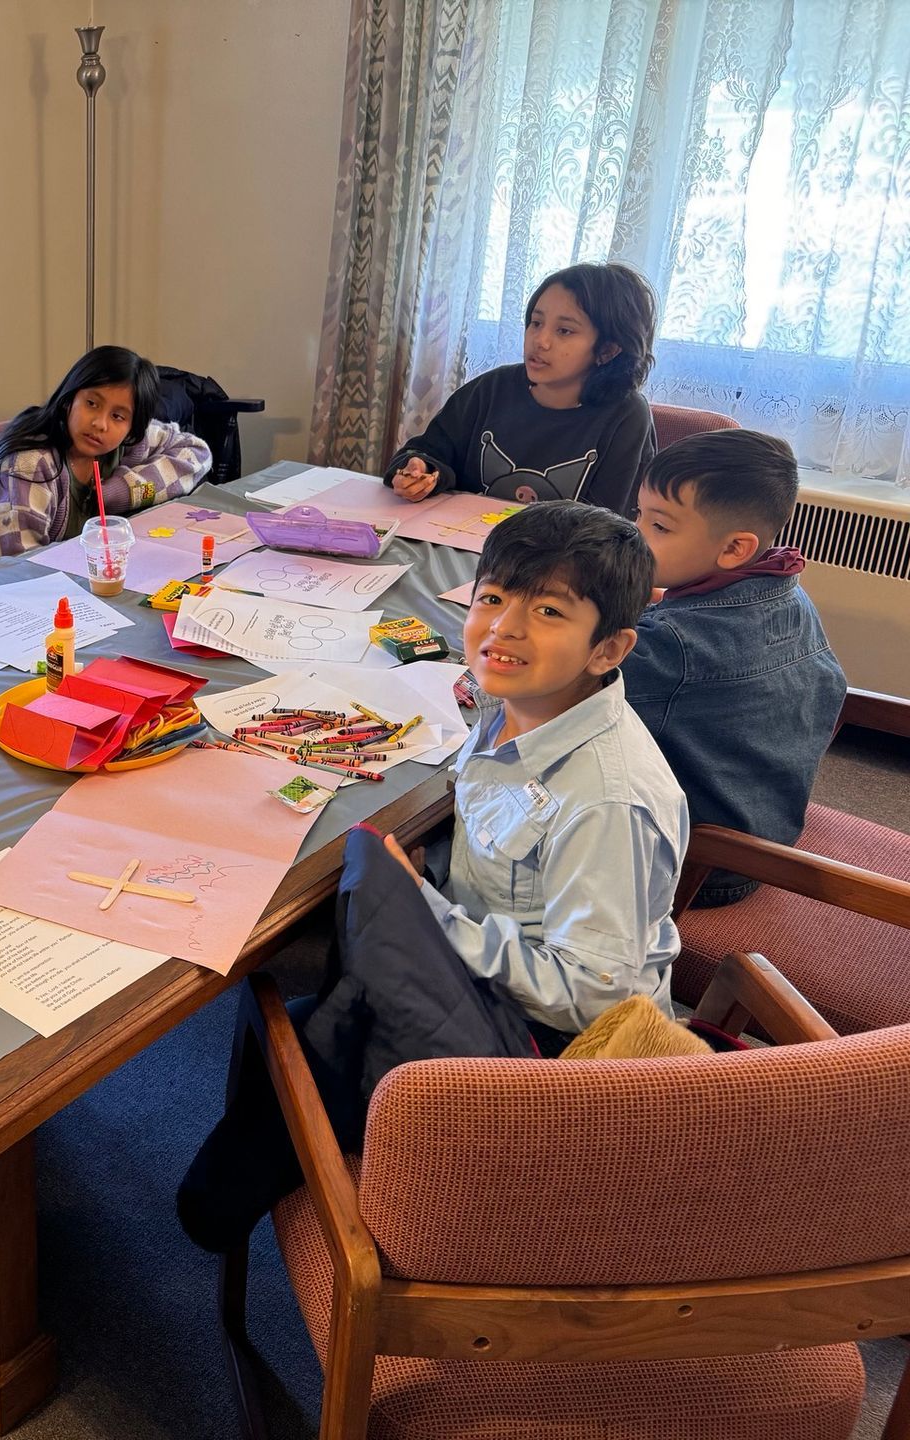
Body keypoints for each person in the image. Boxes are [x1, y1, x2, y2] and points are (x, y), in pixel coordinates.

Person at [177, 502, 687, 1251]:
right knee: (314, 998)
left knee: (302, 1037)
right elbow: (506, 857)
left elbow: (595, 994)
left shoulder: (607, 800)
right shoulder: (519, 707)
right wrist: (434, 879)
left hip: (546, 1059)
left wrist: (426, 907)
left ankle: (234, 1216)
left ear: (607, 649)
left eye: (548, 611)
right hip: (488, 976)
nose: (505, 628)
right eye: (493, 598)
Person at [624, 430, 846, 906]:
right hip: (765, 828)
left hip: (697, 867)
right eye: (637, 514)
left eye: (659, 526)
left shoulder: (673, 646)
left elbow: (565, 692)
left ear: (734, 549)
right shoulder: (786, 591)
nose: (635, 534)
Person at [385, 263, 659, 515]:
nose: (540, 340)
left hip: (559, 552)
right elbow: (425, 453)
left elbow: (611, 525)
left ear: (608, 350)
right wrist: (419, 471)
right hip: (456, 541)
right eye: (536, 323)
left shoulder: (626, 415)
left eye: (564, 331)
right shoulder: (491, 389)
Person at [0, 345, 212, 570]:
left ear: (133, 427)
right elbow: (15, 569)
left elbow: (196, 453)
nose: (100, 424)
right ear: (69, 399)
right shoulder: (28, 467)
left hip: (75, 574)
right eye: (92, 403)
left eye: (118, 416)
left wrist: (126, 490)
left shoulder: (128, 442)